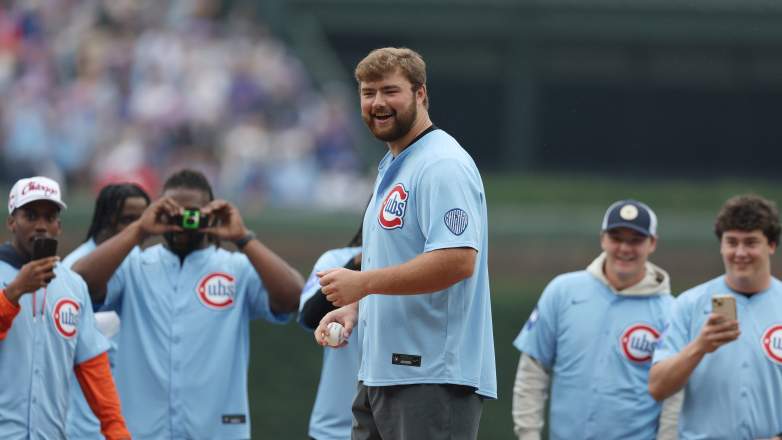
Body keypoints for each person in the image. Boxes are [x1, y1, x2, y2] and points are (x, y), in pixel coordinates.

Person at [314, 47, 497, 440]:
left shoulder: (442, 164)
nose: (378, 102)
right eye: (368, 92)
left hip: (432, 376)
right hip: (382, 372)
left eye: (390, 91)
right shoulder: (395, 165)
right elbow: (402, 259)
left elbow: (457, 260)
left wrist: (362, 283)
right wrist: (356, 308)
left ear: (420, 95)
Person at [72, 169, 304, 439]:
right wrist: (139, 230)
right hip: (142, 431)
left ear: (209, 213)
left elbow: (294, 297)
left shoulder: (236, 268)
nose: (182, 221)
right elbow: (78, 285)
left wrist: (243, 238)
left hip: (216, 431)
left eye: (192, 213)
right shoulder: (134, 266)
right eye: (172, 212)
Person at [511, 200, 680, 440]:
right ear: (602, 239)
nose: (625, 248)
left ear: (652, 243)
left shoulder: (672, 312)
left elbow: (674, 396)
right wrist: (528, 435)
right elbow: (532, 371)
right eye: (616, 237)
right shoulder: (562, 292)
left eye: (636, 240)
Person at [0, 176, 130, 439]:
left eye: (49, 218)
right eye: (31, 215)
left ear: (59, 226)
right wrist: (14, 293)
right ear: (12, 222)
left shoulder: (73, 285)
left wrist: (115, 427)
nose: (41, 226)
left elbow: (92, 363)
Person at [649, 194, 782, 440]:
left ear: (771, 245)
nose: (740, 252)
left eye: (751, 242)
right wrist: (699, 347)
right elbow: (657, 388)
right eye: (732, 242)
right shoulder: (688, 304)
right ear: (721, 245)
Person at [63, 182, 150, 440]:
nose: (138, 229)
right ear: (106, 219)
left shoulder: (138, 258)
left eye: (142, 220)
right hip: (85, 418)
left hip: (127, 413)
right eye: (128, 220)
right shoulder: (76, 268)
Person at [298, 226, 362, 440]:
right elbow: (309, 317)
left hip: (399, 423)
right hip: (335, 428)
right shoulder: (337, 259)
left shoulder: (416, 268)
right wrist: (358, 262)